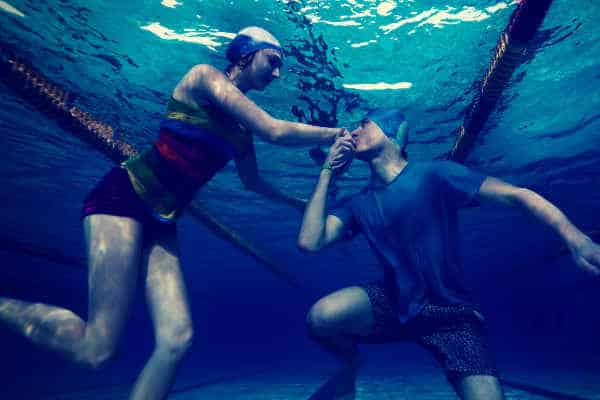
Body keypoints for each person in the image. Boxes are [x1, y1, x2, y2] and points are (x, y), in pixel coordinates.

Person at [0, 26, 343, 400]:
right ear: (246, 55)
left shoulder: (242, 129)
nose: (277, 74)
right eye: (272, 62)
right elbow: (275, 131)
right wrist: (334, 133)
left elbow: (252, 184)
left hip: (163, 220)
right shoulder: (202, 77)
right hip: (124, 199)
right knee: (96, 350)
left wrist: (298, 203)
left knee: (177, 340)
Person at [297, 109, 600, 400]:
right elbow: (310, 242)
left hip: (451, 316)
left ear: (391, 133)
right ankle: (351, 364)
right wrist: (327, 172)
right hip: (393, 302)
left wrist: (576, 238)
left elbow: (517, 195)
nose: (354, 131)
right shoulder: (357, 203)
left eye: (365, 123)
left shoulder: (434, 174)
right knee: (321, 318)